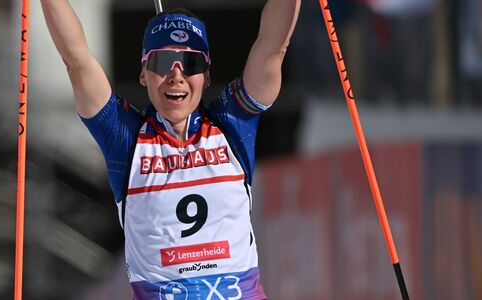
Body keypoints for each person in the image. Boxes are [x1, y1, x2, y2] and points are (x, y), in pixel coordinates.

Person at [41, 1, 300, 299]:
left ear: (206, 76)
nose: (176, 75)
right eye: (162, 63)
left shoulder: (232, 125)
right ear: (144, 74)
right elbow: (77, 60)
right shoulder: (125, 139)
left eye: (190, 64)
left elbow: (273, 47)